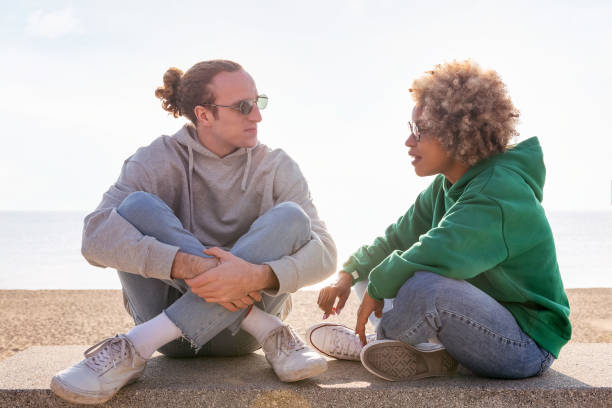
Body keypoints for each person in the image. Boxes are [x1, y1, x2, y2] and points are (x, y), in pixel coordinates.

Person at [51, 59, 336, 404]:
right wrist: (193, 266)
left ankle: (135, 346)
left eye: (258, 102)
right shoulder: (155, 159)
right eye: (244, 107)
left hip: (241, 341)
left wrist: (255, 276)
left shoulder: (276, 166)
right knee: (137, 207)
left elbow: (325, 252)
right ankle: (265, 325)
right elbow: (94, 237)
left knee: (291, 217)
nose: (257, 116)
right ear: (204, 115)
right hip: (171, 337)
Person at [307, 60, 571, 381]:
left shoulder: (498, 190)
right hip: (475, 324)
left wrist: (381, 284)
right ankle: (429, 356)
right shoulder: (446, 184)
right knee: (372, 270)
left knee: (426, 286)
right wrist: (347, 274)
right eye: (410, 128)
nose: (409, 141)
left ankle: (376, 342)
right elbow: (396, 239)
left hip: (524, 346)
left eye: (421, 130)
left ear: (458, 132)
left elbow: (440, 253)